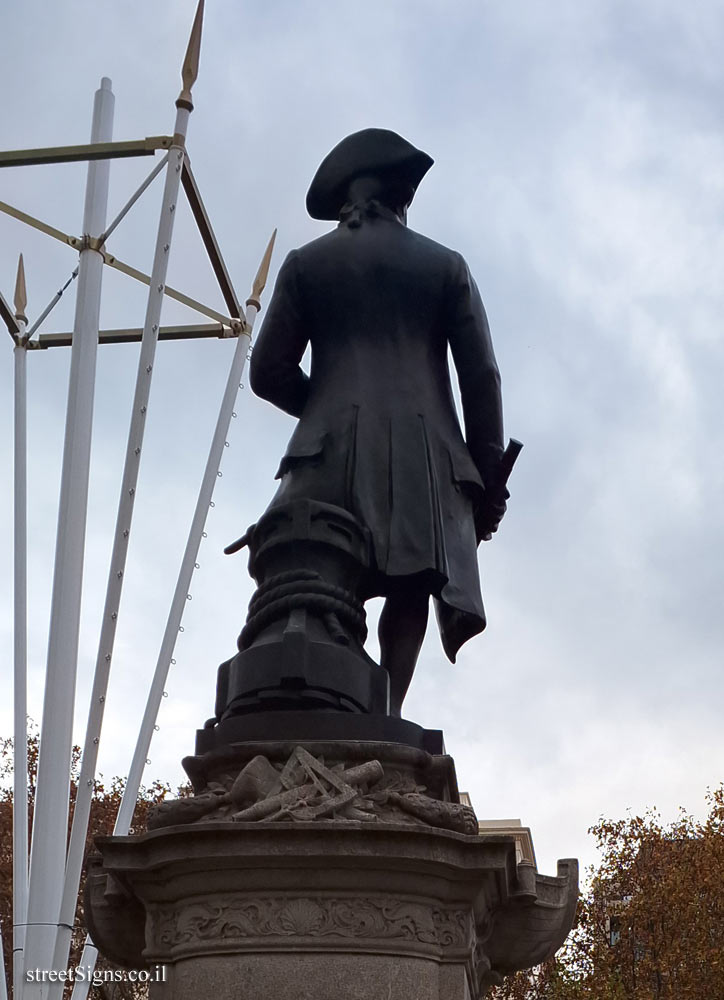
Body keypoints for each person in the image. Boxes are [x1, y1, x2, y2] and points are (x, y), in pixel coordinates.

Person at [250, 128, 507, 716]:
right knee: (410, 583)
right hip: (424, 454)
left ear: (347, 196)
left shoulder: (306, 264)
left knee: (317, 576)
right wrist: (488, 477)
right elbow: (482, 379)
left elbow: (267, 372)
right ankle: (385, 714)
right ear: (400, 196)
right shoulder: (445, 266)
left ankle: (319, 698)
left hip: (325, 453)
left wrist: (323, 406)